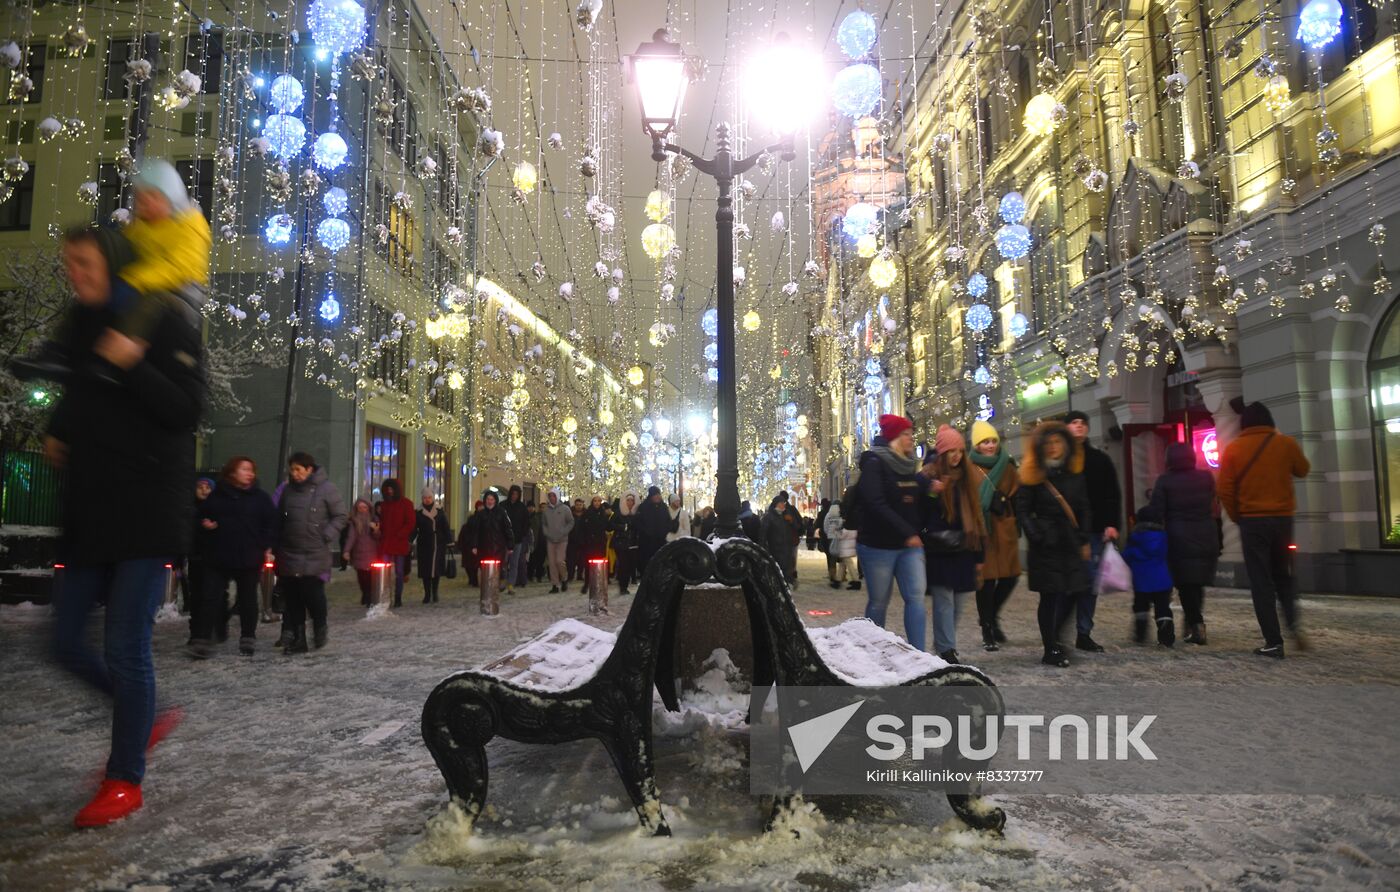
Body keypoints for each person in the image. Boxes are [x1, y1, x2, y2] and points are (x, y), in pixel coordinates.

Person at [45, 224, 205, 828]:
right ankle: (143, 715)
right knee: (62, 642)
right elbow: (81, 391)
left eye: (84, 263)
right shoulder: (78, 324)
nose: (75, 274)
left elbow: (188, 408)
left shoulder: (161, 317)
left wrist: (136, 364)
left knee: (125, 648)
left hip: (144, 512)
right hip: (89, 510)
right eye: (69, 264)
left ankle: (124, 779)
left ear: (111, 263)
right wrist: (58, 427)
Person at [10, 161, 211, 386]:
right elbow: (127, 244)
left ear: (169, 198)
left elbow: (179, 266)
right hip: (146, 280)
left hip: (180, 292)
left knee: (147, 305)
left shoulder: (191, 227)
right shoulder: (146, 224)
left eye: (150, 199)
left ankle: (115, 355)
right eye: (140, 200)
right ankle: (60, 351)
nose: (143, 206)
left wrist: (135, 280)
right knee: (96, 295)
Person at [1218, 400, 1311, 658]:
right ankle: (1293, 624)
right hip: (1283, 521)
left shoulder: (1235, 449)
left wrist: (1239, 516)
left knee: (1261, 581)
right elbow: (1303, 470)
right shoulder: (1285, 444)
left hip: (1252, 522)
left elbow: (1224, 489)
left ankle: (1273, 641)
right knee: (1285, 575)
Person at [1016, 421, 1092, 668]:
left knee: (1075, 590)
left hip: (1070, 541)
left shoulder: (1075, 475)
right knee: (1050, 596)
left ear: (1067, 445)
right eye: (1048, 443)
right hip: (1046, 544)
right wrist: (1036, 534)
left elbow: (1084, 507)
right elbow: (1022, 509)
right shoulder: (1032, 476)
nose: (1053, 447)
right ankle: (1050, 648)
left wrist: (1084, 538)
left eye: (1058, 441)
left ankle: (1057, 636)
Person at [854, 414, 929, 650]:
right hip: (878, 545)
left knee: (916, 598)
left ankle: (919, 653)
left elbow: (913, 502)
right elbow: (876, 503)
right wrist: (908, 531)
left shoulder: (909, 465)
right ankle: (874, 650)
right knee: (879, 601)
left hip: (908, 546)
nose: (911, 439)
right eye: (907, 434)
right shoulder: (874, 463)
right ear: (896, 436)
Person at [192, 456, 276, 658]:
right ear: (232, 472)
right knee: (210, 597)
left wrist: (264, 545)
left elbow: (271, 524)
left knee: (247, 598)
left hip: (249, 556)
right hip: (218, 555)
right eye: (244, 469)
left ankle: (248, 637)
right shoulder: (218, 496)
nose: (249, 473)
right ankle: (203, 637)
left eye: (251, 470)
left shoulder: (261, 498)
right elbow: (201, 516)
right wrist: (206, 525)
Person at [920, 426, 987, 663]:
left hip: (963, 549)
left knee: (958, 602)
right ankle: (947, 649)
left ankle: (942, 643)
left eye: (960, 450)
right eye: (951, 451)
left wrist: (980, 557)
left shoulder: (968, 478)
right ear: (942, 453)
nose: (956, 455)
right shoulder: (929, 477)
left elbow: (978, 519)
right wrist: (932, 494)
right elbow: (921, 515)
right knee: (944, 601)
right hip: (939, 549)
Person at [274, 452, 347, 654]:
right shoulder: (287, 491)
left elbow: (340, 516)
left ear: (309, 469)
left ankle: (319, 626)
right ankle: (299, 639)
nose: (294, 473)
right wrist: (276, 543)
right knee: (293, 598)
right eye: (292, 469)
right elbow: (280, 518)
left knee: (313, 595)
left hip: (314, 552)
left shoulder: (326, 489)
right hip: (290, 551)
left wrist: (325, 535)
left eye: (298, 469)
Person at [1148, 443, 1220, 645]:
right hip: (1206, 534)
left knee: (1185, 584)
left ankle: (1196, 625)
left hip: (1178, 537)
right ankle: (1193, 624)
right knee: (1196, 583)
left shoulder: (1165, 481)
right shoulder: (1206, 477)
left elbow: (1156, 509)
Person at [1062, 410, 1121, 653]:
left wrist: (1112, 523)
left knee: (1089, 583)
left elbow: (1112, 494)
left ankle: (1083, 632)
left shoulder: (1099, 459)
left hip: (1094, 531)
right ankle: (1056, 630)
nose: (1079, 427)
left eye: (1082, 423)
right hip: (1064, 531)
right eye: (1074, 423)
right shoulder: (1058, 459)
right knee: (1064, 583)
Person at [969, 420, 1021, 651]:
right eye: (985, 442)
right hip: (983, 531)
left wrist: (1016, 519)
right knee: (986, 582)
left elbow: (1018, 494)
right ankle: (987, 628)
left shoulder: (1008, 465)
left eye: (992, 441)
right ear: (976, 445)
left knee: (1010, 578)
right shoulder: (968, 466)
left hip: (1004, 527)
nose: (990, 446)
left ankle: (992, 615)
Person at [1121, 504, 1174, 646]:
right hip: (1163, 582)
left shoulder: (1134, 538)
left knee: (1141, 608)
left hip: (1142, 583)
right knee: (1163, 609)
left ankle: (1140, 635)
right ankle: (1166, 637)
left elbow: (1126, 556)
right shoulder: (1164, 537)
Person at [182, 477, 215, 645]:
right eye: (200, 487)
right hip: (195, 557)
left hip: (213, 558)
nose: (203, 490)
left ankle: (205, 632)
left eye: (207, 487)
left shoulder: (216, 509)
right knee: (196, 597)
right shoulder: (189, 509)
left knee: (208, 595)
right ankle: (195, 632)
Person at [376, 478, 415, 608]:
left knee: (399, 572)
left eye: (392, 489)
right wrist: (379, 530)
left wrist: (400, 534)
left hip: (398, 542)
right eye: (388, 490)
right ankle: (385, 596)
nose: (390, 492)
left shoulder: (406, 504)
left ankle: (398, 597)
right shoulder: (384, 505)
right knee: (384, 571)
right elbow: (383, 522)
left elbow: (410, 522)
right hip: (387, 542)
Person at [414, 487, 450, 603]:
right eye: (425, 498)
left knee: (436, 570)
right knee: (426, 571)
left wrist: (450, 541)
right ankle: (427, 594)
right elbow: (414, 529)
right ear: (422, 499)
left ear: (433, 498)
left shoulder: (440, 511)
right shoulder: (418, 513)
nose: (427, 500)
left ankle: (435, 593)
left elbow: (445, 527)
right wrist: (409, 540)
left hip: (438, 544)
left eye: (429, 497)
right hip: (424, 544)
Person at [465, 490, 514, 574]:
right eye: (488, 499)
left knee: (498, 568)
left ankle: (498, 582)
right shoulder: (481, 514)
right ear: (485, 500)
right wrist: (474, 546)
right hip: (484, 547)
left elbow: (508, 528)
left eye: (492, 499)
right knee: (485, 569)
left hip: (499, 546)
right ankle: (486, 584)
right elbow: (475, 531)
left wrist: (510, 545)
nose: (490, 501)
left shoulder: (501, 512)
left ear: (495, 500)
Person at [342, 498, 381, 606]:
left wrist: (375, 530)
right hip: (358, 553)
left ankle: (369, 596)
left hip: (372, 553)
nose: (362, 509)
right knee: (361, 578)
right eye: (360, 507)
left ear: (368, 508)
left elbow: (378, 537)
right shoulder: (354, 522)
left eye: (364, 507)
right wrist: (347, 551)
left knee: (370, 577)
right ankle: (365, 593)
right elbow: (351, 537)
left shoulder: (374, 519)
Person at [540, 490, 575, 592]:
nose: (552, 498)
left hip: (562, 539)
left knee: (559, 561)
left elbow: (571, 522)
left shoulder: (565, 509)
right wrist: (547, 533)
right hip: (550, 540)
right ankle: (555, 585)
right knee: (552, 563)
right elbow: (544, 524)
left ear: (557, 496)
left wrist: (564, 531)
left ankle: (564, 578)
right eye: (550, 496)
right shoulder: (546, 510)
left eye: (553, 496)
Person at [761, 492, 799, 583]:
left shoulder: (786, 516)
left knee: (785, 574)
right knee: (776, 575)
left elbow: (798, 528)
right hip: (775, 551)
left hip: (786, 551)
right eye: (781, 503)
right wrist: (764, 550)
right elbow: (762, 535)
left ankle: (786, 589)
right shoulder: (768, 517)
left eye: (784, 503)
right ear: (776, 504)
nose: (783, 505)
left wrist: (792, 521)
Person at [635, 486, 675, 573]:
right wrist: (647, 532)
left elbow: (668, 521)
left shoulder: (663, 507)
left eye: (658, 495)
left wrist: (665, 531)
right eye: (655, 495)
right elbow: (638, 523)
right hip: (647, 542)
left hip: (660, 540)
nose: (657, 497)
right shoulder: (643, 507)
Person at [823, 501, 859, 589]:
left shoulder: (835, 516)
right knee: (843, 563)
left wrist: (835, 532)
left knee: (848, 563)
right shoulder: (847, 516)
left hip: (845, 544)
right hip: (847, 543)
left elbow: (843, 532)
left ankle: (856, 581)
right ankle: (838, 581)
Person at [502, 485, 531, 594]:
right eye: (513, 494)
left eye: (516, 494)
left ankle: (511, 584)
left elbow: (526, 523)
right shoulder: (503, 506)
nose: (514, 496)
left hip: (517, 540)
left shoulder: (522, 507)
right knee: (503, 562)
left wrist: (522, 534)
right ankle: (502, 581)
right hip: (505, 540)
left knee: (514, 563)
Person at [611, 493, 640, 595]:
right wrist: (622, 527)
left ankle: (625, 585)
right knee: (624, 565)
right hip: (621, 543)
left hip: (633, 543)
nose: (630, 502)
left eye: (632, 500)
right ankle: (623, 587)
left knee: (630, 565)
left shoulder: (637, 513)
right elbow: (609, 525)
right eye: (628, 500)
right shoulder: (619, 513)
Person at [457, 501, 484, 587]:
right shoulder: (472, 519)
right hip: (471, 544)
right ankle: (473, 580)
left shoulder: (483, 517)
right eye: (479, 506)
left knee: (474, 565)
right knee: (472, 565)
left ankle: (474, 580)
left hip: (476, 544)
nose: (481, 508)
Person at [566, 497, 588, 582]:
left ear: (583, 505)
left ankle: (579, 575)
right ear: (574, 505)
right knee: (571, 559)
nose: (579, 506)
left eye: (580, 505)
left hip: (583, 540)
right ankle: (570, 575)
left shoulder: (586, 515)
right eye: (577, 505)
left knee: (582, 559)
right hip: (571, 540)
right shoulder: (570, 514)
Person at [527, 500, 547, 583]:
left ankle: (539, 576)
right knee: (532, 559)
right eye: (542, 507)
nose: (543, 509)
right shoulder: (536, 516)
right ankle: (530, 575)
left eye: (545, 508)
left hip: (544, 541)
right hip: (536, 541)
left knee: (541, 560)